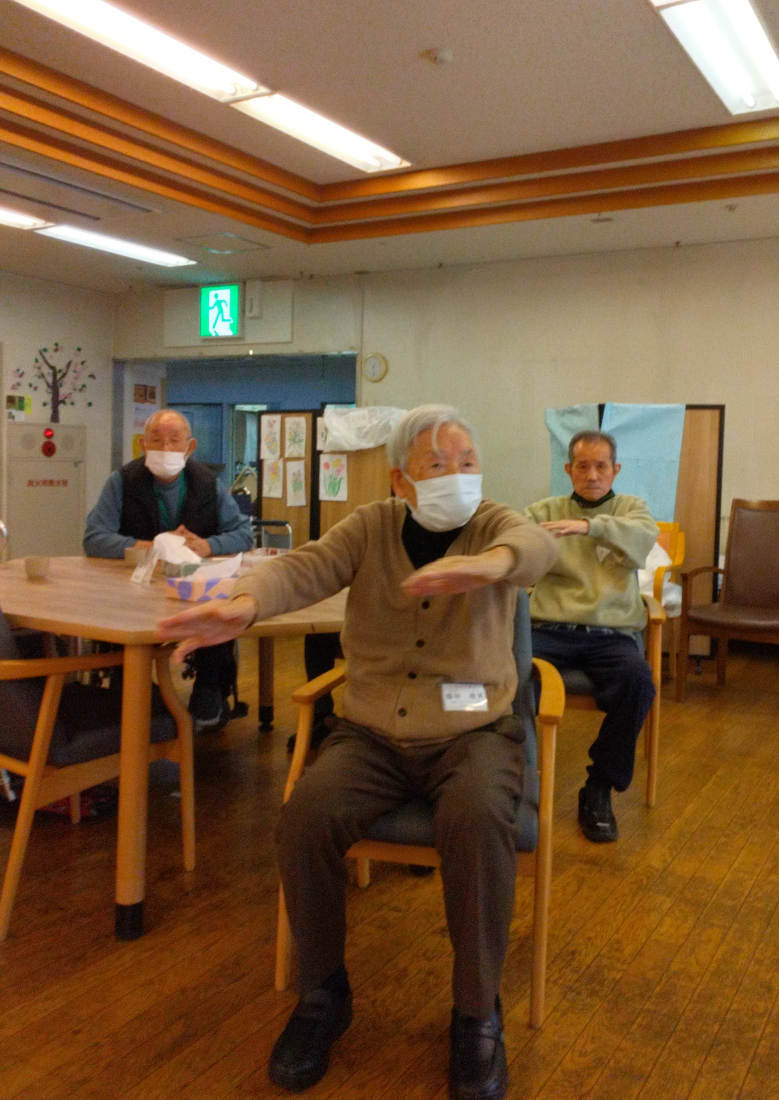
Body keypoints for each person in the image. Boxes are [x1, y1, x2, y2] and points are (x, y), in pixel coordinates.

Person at [157, 405, 557, 1100]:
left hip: (473, 735)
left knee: (475, 820)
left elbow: (537, 547)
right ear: (401, 480)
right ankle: (323, 995)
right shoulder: (371, 526)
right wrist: (244, 604)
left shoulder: (493, 523)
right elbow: (305, 567)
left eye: (468, 462)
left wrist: (491, 564)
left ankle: (475, 1012)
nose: (458, 476)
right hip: (372, 734)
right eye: (438, 465)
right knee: (304, 817)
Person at [525, 430, 659, 844]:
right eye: (582, 466)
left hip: (610, 635)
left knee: (638, 681)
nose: (592, 474)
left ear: (615, 469)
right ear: (569, 470)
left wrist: (589, 526)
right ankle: (517, 778)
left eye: (601, 466)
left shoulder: (632, 509)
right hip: (549, 629)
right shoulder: (544, 511)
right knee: (500, 672)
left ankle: (599, 786)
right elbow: (515, 547)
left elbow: (642, 537)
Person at [84, 408, 254, 730]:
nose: (165, 448)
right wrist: (150, 546)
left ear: (190, 447)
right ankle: (128, 691)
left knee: (218, 613)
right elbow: (94, 538)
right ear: (142, 444)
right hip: (133, 590)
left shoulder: (209, 484)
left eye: (174, 441)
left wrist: (207, 545)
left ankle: (209, 690)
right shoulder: (122, 481)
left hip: (194, 588)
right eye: (156, 440)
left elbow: (244, 534)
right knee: (122, 624)